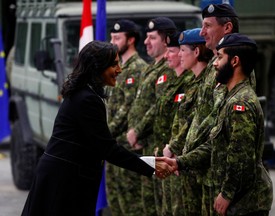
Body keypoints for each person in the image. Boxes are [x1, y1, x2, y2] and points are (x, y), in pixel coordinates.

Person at [21, 40, 173, 216]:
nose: (119, 70)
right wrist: (151, 165)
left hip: (64, 178)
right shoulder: (87, 99)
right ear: (97, 67)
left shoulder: (85, 93)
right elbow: (107, 149)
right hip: (63, 182)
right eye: (114, 64)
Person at [159, 33, 273, 216]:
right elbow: (214, 145)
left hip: (246, 204)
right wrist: (179, 163)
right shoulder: (230, 98)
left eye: (220, 57)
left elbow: (241, 158)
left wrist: (227, 194)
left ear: (235, 61)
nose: (214, 63)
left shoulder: (240, 104)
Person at [126, 17, 177, 216]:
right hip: (146, 146)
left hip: (158, 147)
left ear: (166, 41)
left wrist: (137, 131)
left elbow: (159, 106)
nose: (146, 42)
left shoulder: (169, 70)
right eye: (146, 37)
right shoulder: (152, 67)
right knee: (149, 205)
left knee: (158, 207)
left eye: (152, 37)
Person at [162, 28, 213, 216]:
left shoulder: (205, 84)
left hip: (194, 162)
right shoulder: (193, 83)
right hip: (184, 160)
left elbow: (196, 123)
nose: (180, 55)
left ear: (197, 52)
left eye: (183, 50)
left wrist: (174, 146)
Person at [106, 19, 148, 216]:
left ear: (130, 40)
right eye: (111, 37)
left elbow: (128, 106)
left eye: (117, 38)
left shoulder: (138, 68)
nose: (112, 42)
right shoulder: (118, 66)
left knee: (132, 203)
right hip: (114, 144)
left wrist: (106, 131)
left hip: (127, 145)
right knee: (115, 201)